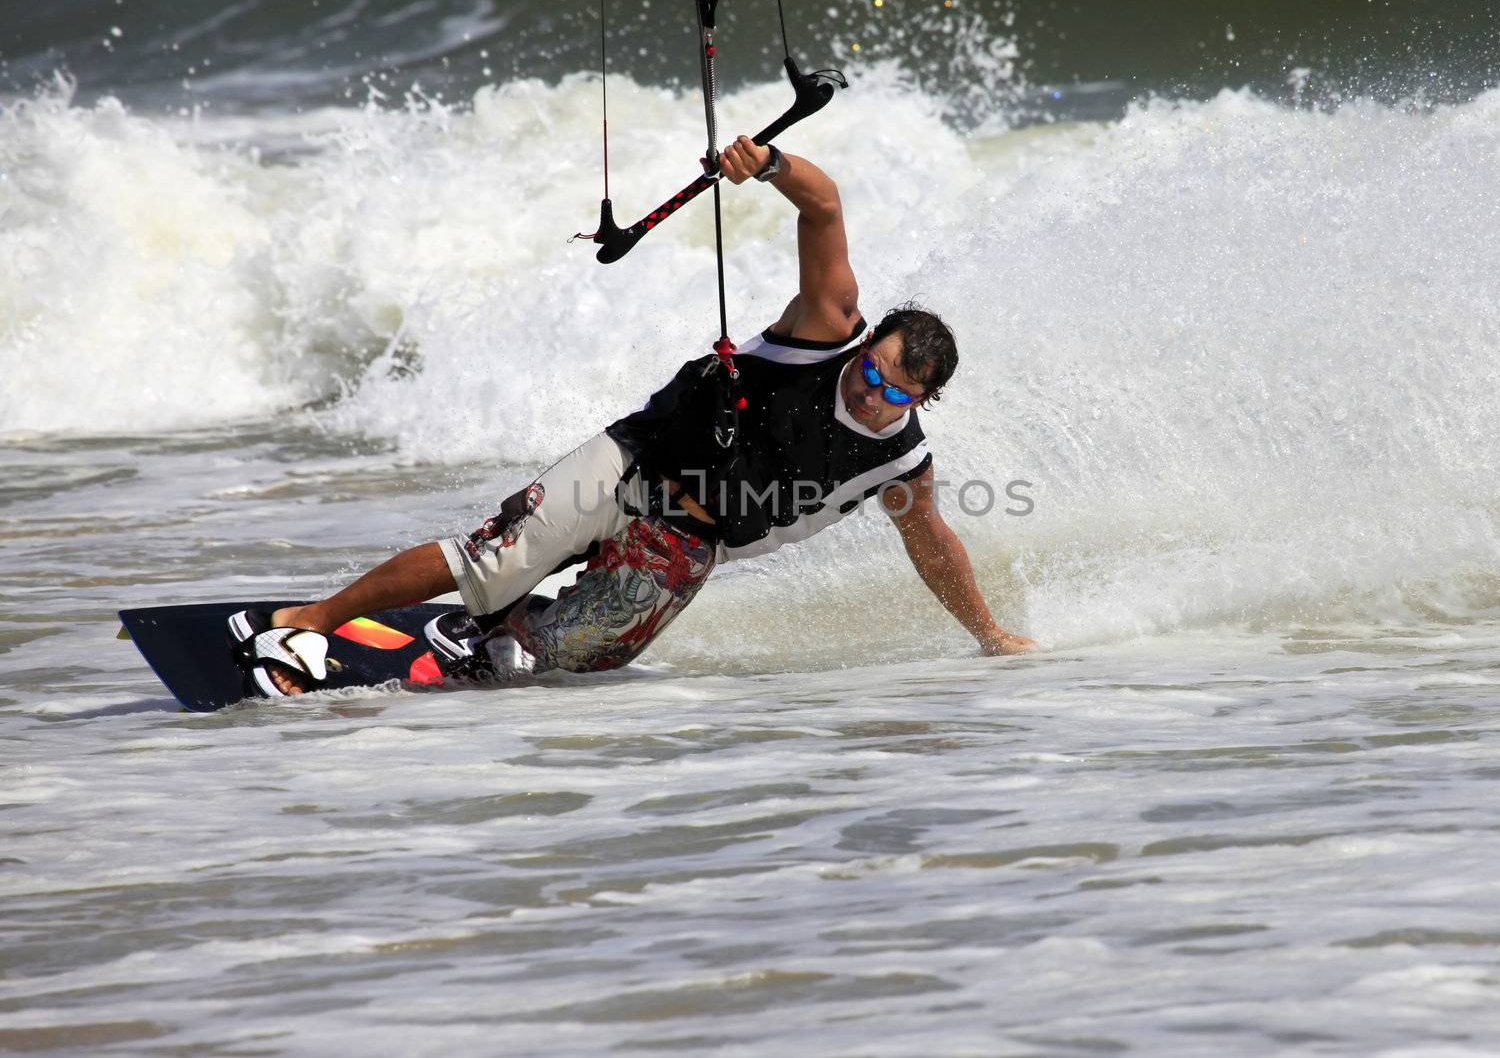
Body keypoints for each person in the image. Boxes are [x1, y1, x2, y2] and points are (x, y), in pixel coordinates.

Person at [228, 134, 1037, 698]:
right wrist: (771, 164)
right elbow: (823, 207)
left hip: (688, 540)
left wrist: (989, 633)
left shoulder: (900, 464)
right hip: (632, 466)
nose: (871, 392)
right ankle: (309, 620)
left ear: (923, 403)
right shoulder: (828, 327)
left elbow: (935, 549)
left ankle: (502, 633)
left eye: (896, 393)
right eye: (873, 370)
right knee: (488, 559)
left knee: (582, 657)